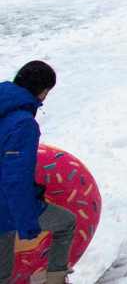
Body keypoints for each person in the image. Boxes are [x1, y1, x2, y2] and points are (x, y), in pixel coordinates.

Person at [1, 61, 75, 284]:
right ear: (43, 91)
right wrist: (26, 220)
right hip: (3, 209)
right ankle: (55, 280)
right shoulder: (23, 123)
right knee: (66, 223)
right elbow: (15, 177)